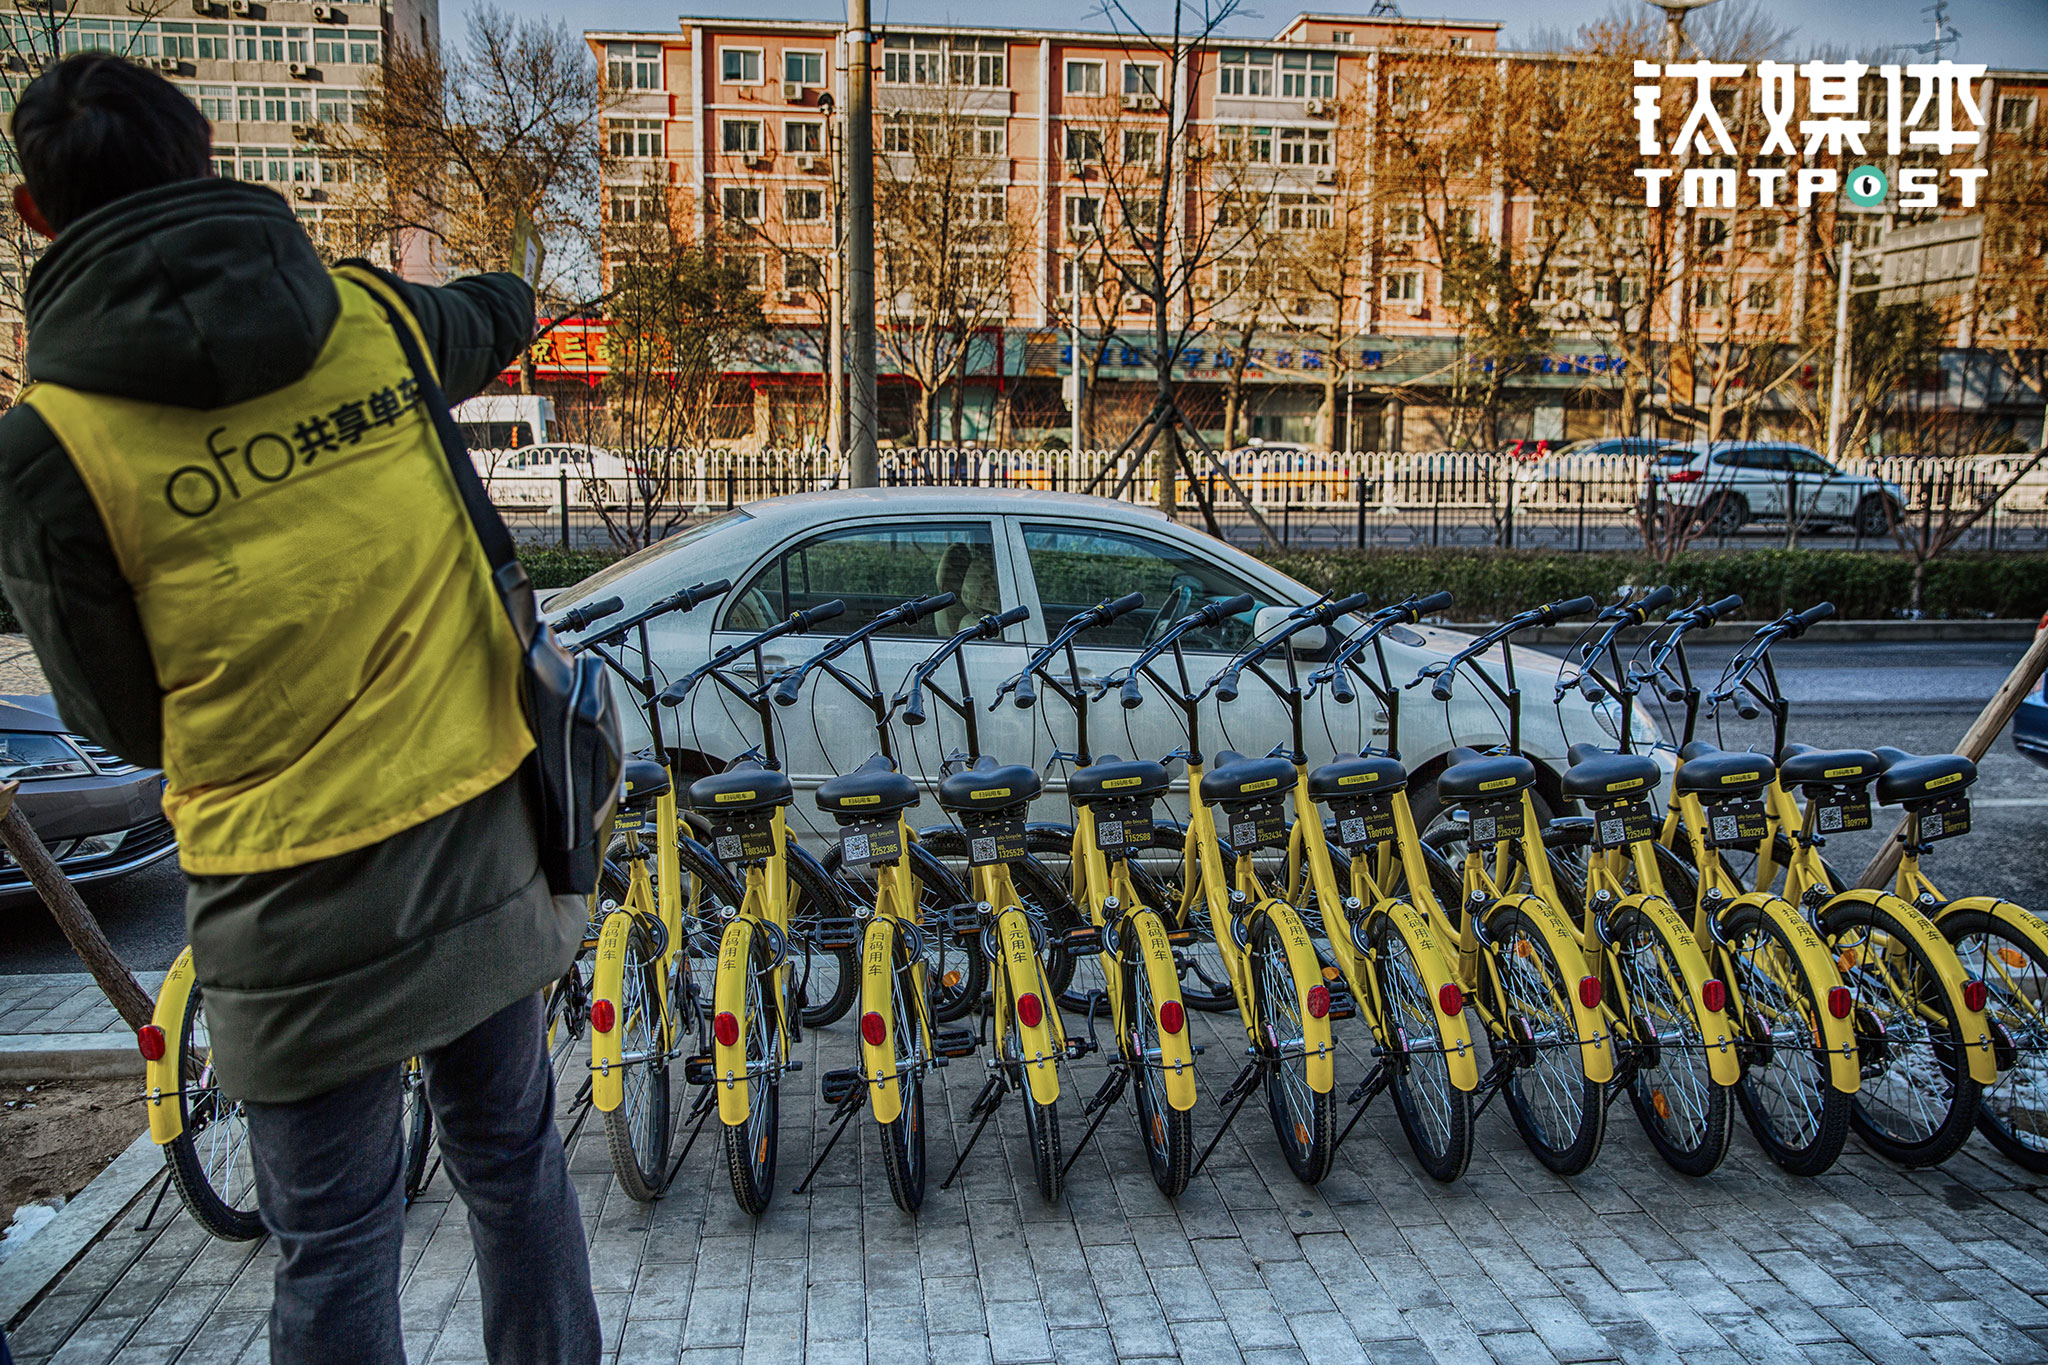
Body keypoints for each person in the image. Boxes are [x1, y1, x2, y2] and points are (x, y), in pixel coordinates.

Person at [0, 55, 599, 1365]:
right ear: (213, 162)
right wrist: (519, 280)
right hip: (472, 846)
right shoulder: (375, 320)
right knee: (514, 1162)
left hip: (282, 903)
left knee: (331, 1244)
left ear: (35, 217)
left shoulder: (50, 450)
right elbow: (490, 310)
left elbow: (119, 713)